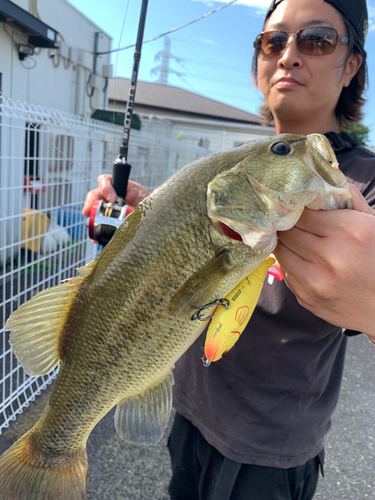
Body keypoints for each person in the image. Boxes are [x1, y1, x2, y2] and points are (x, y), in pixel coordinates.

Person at [83, 0, 375, 498]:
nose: (287, 56)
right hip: (189, 411)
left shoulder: (365, 185)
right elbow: (213, 250)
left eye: (317, 40)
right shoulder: (236, 167)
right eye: (272, 41)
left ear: (352, 65)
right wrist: (145, 219)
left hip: (271, 451)